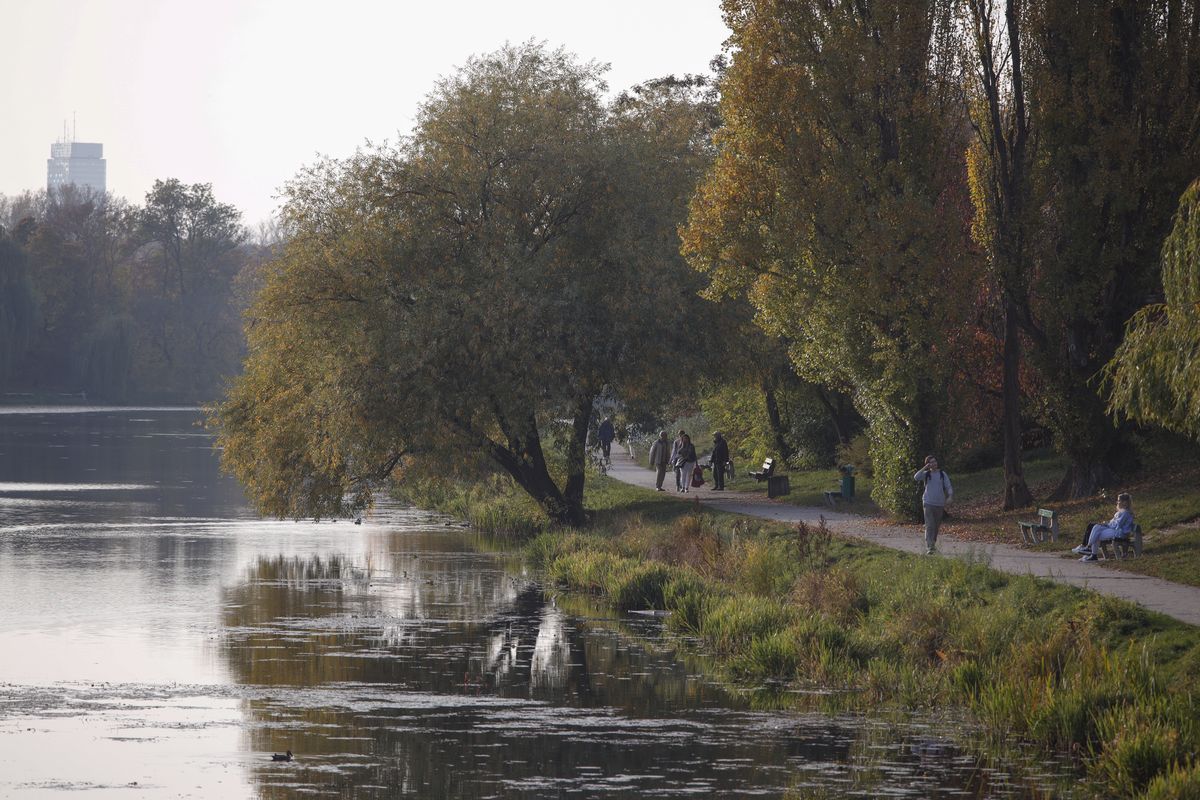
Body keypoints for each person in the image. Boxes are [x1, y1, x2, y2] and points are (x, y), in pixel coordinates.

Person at [1072, 493, 1135, 562]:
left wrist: (1106, 524)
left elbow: (1117, 524)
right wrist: (1105, 523)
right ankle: (1090, 551)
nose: (1117, 502)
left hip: (1120, 532)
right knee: (1096, 527)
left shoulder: (1125, 513)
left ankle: (1091, 551)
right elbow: (1113, 522)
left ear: (1125, 502)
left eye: (1119, 501)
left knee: (1097, 533)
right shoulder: (1121, 512)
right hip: (1115, 530)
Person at [913, 455, 953, 555]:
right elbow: (916, 477)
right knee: (930, 525)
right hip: (928, 503)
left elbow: (948, 486)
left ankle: (932, 545)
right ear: (928, 464)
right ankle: (929, 546)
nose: (934, 463)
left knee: (936, 526)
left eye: (935, 461)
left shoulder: (942, 474)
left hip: (939, 504)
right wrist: (925, 468)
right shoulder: (926, 474)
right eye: (931, 462)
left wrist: (950, 496)